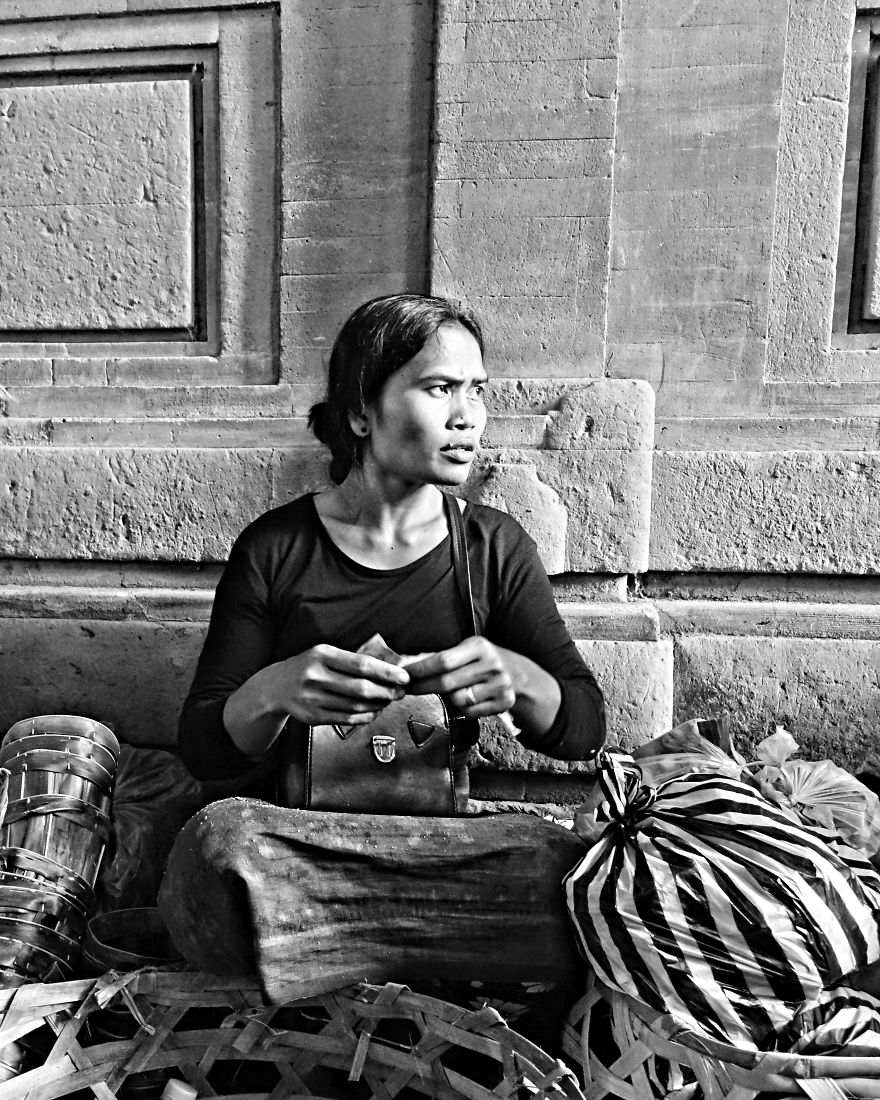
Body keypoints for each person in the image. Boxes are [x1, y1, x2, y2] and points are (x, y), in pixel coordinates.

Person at [178, 293, 605, 792]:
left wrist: (520, 679)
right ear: (361, 412)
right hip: (290, 826)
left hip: (435, 829)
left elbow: (586, 730)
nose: (467, 416)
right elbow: (202, 751)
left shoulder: (494, 548)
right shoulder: (274, 548)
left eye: (476, 390)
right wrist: (274, 691)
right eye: (440, 388)